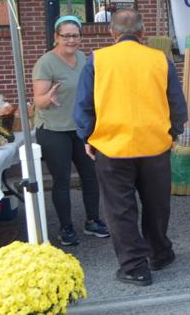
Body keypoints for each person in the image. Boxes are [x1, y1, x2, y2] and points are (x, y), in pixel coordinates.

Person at [74, 9, 187, 287]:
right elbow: (176, 103)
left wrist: (87, 137)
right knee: (157, 204)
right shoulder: (159, 59)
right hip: (154, 145)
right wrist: (173, 132)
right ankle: (159, 253)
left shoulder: (97, 60)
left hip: (112, 147)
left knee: (120, 209)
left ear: (111, 33)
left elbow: (84, 105)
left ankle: (135, 267)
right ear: (142, 32)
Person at [32, 15, 108, 246]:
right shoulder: (46, 63)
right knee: (62, 179)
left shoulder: (84, 58)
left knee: (91, 176)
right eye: (66, 36)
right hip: (54, 130)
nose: (71, 40)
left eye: (75, 36)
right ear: (56, 37)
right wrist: (49, 96)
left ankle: (92, 220)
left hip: (81, 128)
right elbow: (38, 101)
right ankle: (66, 228)